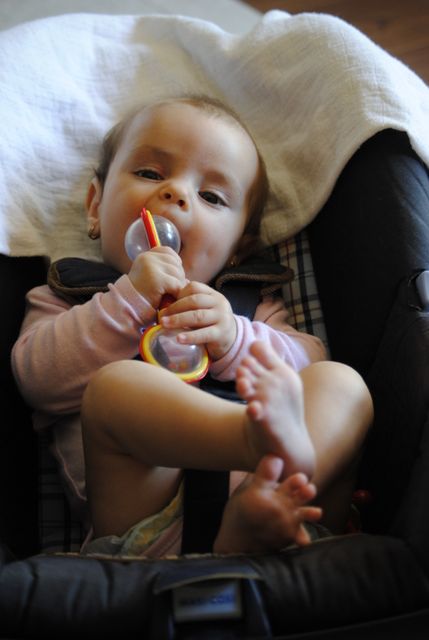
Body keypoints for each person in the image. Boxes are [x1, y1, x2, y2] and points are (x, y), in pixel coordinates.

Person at [11, 95, 373, 557]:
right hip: (150, 529)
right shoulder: (67, 296)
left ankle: (261, 498)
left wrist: (234, 340)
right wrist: (128, 300)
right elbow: (36, 378)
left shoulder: (247, 306)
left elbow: (306, 362)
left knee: (342, 383)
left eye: (211, 197)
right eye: (150, 173)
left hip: (283, 510)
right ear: (95, 206)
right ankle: (250, 440)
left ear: (238, 249)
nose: (176, 193)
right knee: (116, 388)